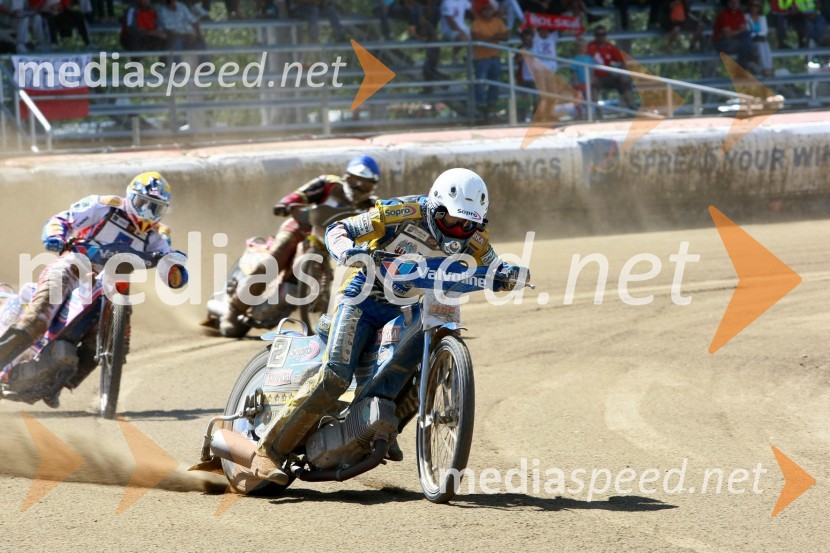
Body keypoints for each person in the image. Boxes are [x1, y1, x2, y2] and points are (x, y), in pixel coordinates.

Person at [249, 168, 528, 484]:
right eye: (451, 220)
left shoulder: (474, 237)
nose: (458, 229)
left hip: (409, 309)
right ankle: (267, 451)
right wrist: (346, 251)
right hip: (363, 299)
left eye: (467, 223)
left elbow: (493, 266)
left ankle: (377, 426)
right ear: (435, 207)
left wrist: (510, 273)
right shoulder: (401, 212)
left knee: (415, 375)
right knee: (336, 376)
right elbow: (339, 229)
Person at [0, 172, 187, 406]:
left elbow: (169, 263)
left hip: (109, 282)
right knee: (40, 316)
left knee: (103, 342)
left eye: (155, 208)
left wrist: (174, 271)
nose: (147, 213)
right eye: (143, 204)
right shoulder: (104, 206)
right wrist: (56, 236)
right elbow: (64, 219)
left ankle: (56, 383)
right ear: (130, 197)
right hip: (75, 265)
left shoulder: (158, 235)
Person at [220, 155, 381, 336]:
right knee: (273, 259)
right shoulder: (328, 184)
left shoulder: (372, 207)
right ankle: (233, 312)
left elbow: (378, 228)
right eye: (354, 181)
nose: (357, 188)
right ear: (346, 177)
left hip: (329, 246)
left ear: (373, 186)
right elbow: (300, 194)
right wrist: (286, 203)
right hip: (299, 229)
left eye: (364, 185)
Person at [471, 0, 508, 119]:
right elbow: (476, 38)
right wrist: (495, 37)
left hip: (495, 57)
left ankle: (491, 107)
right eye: (485, 10)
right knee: (480, 83)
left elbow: (506, 36)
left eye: (489, 9)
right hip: (481, 58)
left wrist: (488, 39)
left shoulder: (498, 22)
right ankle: (480, 107)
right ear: (481, 12)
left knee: (495, 83)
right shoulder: (476, 23)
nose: (487, 12)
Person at [586, 25, 637, 111]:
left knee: (623, 83)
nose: (601, 36)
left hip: (608, 76)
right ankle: (596, 113)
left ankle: (633, 108)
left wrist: (623, 73)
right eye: (598, 34)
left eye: (603, 34)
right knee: (593, 85)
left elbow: (622, 60)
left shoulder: (609, 46)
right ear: (595, 36)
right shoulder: (590, 47)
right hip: (594, 77)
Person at [713, 0, 756, 68]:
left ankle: (744, 65)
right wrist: (739, 31)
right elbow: (727, 35)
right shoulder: (724, 14)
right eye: (732, 2)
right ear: (728, 3)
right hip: (721, 43)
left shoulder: (740, 13)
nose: (734, 4)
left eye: (736, 2)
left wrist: (735, 32)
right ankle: (744, 66)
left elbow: (743, 30)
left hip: (735, 40)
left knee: (746, 35)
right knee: (745, 45)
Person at [746, 0, 773, 76]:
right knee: (760, 46)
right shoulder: (746, 17)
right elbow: (747, 30)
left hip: (760, 39)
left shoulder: (762, 17)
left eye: (756, 5)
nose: (754, 7)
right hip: (751, 40)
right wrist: (756, 35)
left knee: (766, 45)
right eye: (752, 5)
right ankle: (765, 68)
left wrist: (758, 35)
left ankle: (769, 67)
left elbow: (765, 30)